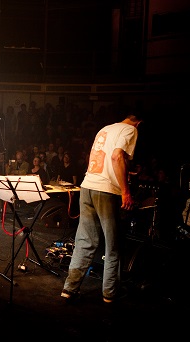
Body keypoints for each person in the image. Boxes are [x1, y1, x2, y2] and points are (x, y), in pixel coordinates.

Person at [61, 109, 143, 303]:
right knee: (113, 245)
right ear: (138, 123)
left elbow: (99, 159)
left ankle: (69, 289)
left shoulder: (105, 129)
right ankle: (109, 294)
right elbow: (116, 157)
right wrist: (126, 192)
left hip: (88, 186)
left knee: (85, 241)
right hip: (107, 192)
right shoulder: (130, 130)